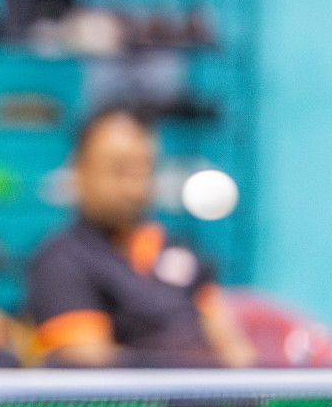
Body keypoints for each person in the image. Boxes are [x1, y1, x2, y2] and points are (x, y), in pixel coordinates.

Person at [24, 106, 253, 367]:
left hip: (212, 404)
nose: (133, 188)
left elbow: (236, 352)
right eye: (118, 170)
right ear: (80, 171)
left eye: (143, 170)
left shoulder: (178, 248)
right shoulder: (60, 263)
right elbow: (90, 370)